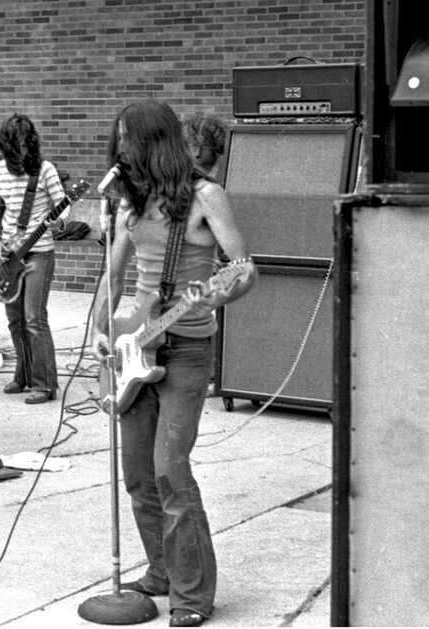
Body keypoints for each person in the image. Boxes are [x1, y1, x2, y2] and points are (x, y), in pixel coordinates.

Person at [91, 100, 256, 627]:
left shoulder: (206, 196)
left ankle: (192, 595)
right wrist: (98, 331)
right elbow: (112, 275)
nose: (119, 151)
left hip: (185, 348)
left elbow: (244, 268)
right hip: (131, 346)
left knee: (170, 470)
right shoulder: (128, 203)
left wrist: (218, 296)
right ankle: (160, 572)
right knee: (137, 475)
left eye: (127, 141)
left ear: (153, 143)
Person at [0, 113, 69, 404]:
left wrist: (58, 222)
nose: (20, 152)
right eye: (14, 147)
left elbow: (63, 206)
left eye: (24, 145)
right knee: (15, 320)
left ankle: (45, 385)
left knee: (34, 318)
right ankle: (23, 375)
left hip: (39, 250)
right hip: (8, 254)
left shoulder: (45, 170)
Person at [183, 111, 227, 178]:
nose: (198, 154)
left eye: (204, 147)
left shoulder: (226, 170)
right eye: (194, 145)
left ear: (215, 145)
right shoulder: (183, 171)